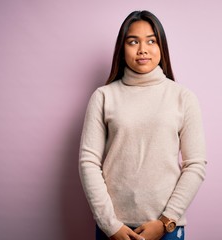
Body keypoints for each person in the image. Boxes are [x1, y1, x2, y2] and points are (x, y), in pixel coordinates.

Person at [79, 10, 207, 240]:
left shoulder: (183, 97)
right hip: (114, 228)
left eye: (151, 41)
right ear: (122, 48)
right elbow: (88, 162)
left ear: (161, 47)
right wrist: (111, 225)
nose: (142, 49)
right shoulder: (104, 96)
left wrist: (166, 221)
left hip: (166, 227)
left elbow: (195, 165)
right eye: (133, 41)